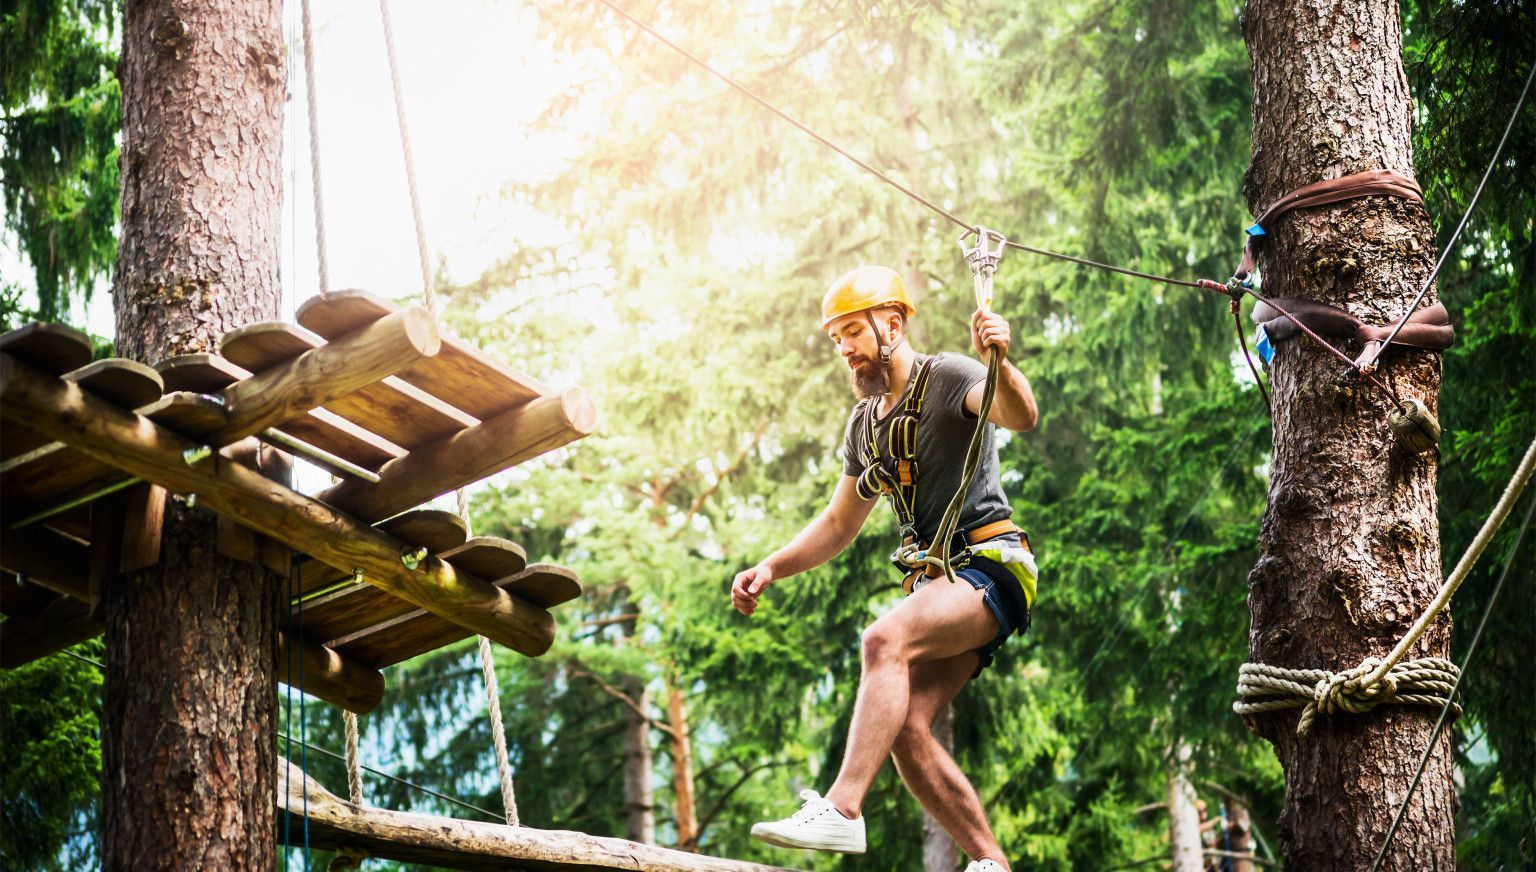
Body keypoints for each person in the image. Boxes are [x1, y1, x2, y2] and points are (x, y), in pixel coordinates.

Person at [730, 265, 1039, 872]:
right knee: (904, 726)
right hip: (943, 584)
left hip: (993, 564)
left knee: (882, 639)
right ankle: (989, 863)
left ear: (892, 323)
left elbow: (1017, 413)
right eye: (835, 338)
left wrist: (1000, 358)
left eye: (852, 332)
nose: (844, 349)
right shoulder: (866, 426)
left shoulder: (949, 377)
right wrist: (771, 567)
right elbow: (839, 524)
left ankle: (842, 810)